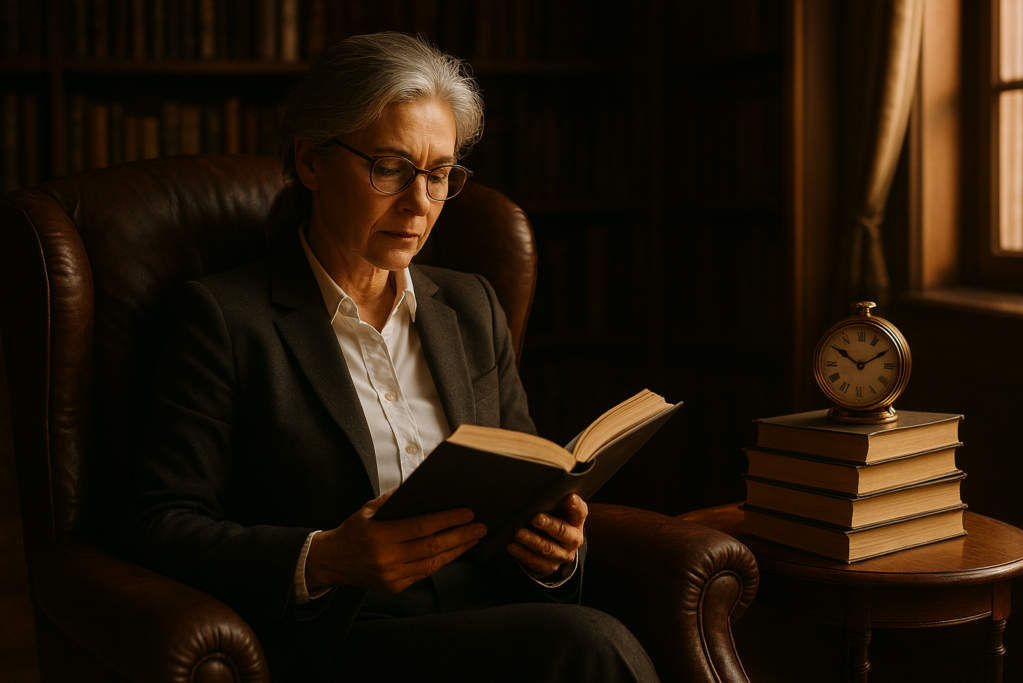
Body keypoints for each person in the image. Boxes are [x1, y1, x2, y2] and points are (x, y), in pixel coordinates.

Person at [122, 32, 659, 683]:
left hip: (492, 618)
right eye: (389, 167)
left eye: (439, 174)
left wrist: (550, 551)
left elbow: (523, 480)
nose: (420, 202)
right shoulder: (224, 317)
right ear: (312, 162)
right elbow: (159, 523)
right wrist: (324, 557)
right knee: (591, 645)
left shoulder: (472, 305)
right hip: (347, 639)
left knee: (587, 636)